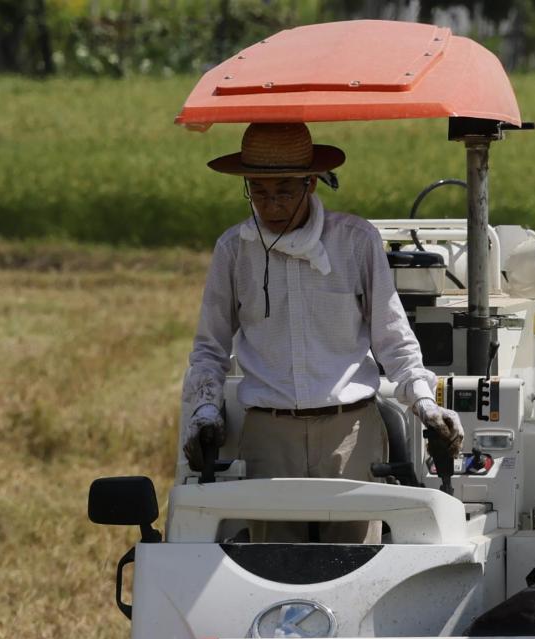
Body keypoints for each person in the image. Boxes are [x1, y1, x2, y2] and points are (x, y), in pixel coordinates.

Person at [181, 121, 464, 542]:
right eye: (258, 192)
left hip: (349, 432)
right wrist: (204, 409)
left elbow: (393, 338)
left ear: (310, 183)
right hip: (269, 434)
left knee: (356, 563)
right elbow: (210, 347)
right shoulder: (233, 250)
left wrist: (425, 402)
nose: (271, 206)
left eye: (283, 193)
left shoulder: (355, 241)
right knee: (272, 565)